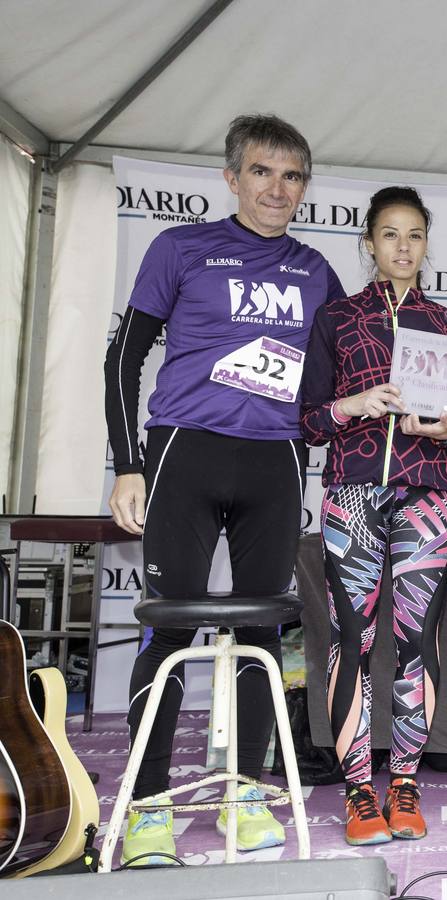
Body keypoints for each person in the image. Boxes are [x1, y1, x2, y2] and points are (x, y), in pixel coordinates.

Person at [103, 114, 344, 864]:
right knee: (169, 628)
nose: (278, 188)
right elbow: (125, 358)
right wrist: (127, 462)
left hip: (274, 462)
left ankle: (245, 791)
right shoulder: (180, 247)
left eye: (293, 175)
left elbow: (352, 362)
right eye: (264, 172)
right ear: (232, 176)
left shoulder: (315, 270)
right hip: (185, 452)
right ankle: (146, 807)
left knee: (263, 631)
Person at [299, 186, 447, 845]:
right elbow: (310, 421)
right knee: (353, 640)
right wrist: (356, 404)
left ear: (428, 244)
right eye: (390, 234)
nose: (403, 246)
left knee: (416, 642)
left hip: (427, 497)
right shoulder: (338, 320)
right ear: (369, 243)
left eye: (415, 235)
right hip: (351, 495)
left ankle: (404, 783)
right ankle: (356, 792)